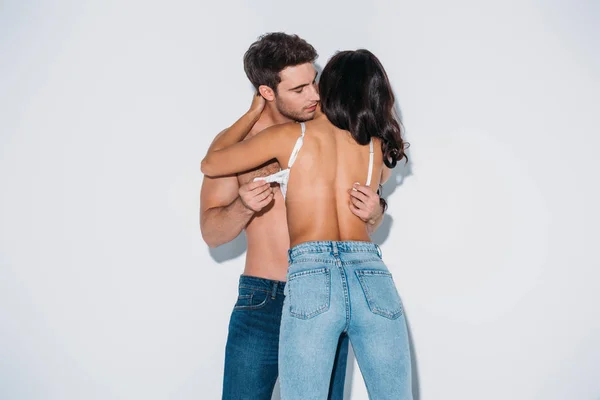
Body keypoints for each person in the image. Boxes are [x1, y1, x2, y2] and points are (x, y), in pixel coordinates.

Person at [201, 49, 412, 400]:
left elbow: (210, 162)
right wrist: (242, 204)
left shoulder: (292, 139)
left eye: (314, 83)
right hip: (304, 287)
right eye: (299, 89)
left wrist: (377, 210)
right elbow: (212, 231)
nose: (312, 94)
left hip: (311, 280)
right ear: (267, 92)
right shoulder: (373, 146)